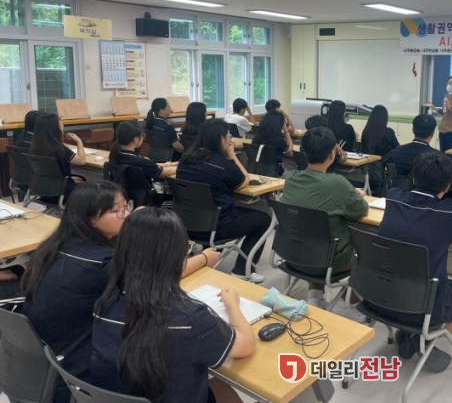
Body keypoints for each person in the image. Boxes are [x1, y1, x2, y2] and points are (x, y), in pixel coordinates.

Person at [22, 182, 221, 403]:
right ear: (90, 219)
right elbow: (156, 274)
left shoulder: (55, 245)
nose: (126, 215)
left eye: (126, 207)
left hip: (46, 352)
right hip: (82, 366)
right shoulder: (103, 263)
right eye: (116, 210)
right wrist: (205, 258)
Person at [91, 207, 255, 403]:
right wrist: (233, 305)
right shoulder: (192, 320)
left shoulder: (104, 304)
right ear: (175, 258)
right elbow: (245, 346)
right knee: (226, 391)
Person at [371, 152, 452, 371]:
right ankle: (422, 336)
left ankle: (411, 332)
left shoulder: (393, 197)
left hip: (379, 295)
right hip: (424, 305)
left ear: (413, 177)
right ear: (447, 185)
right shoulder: (451, 212)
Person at [280, 127, 368, 307]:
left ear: (303, 152)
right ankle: (356, 303)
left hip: (292, 254)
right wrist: (355, 194)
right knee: (362, 250)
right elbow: (361, 210)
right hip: (327, 263)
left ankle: (315, 296)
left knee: (314, 234)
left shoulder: (290, 178)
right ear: (332, 154)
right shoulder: (338, 183)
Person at [177, 119, 270, 283]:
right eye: (228, 136)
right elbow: (245, 180)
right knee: (265, 217)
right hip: (218, 227)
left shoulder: (185, 160)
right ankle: (242, 270)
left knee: (215, 205)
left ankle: (209, 255)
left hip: (187, 224)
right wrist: (232, 155)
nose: (230, 140)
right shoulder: (221, 164)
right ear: (219, 138)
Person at [30, 113, 87, 200]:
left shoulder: (35, 147)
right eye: (60, 122)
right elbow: (82, 161)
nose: (62, 124)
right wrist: (79, 141)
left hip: (43, 190)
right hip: (61, 192)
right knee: (88, 182)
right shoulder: (59, 149)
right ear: (55, 128)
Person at [109, 120, 177, 181]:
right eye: (142, 135)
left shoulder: (116, 154)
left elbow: (151, 166)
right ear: (136, 140)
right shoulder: (139, 162)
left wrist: (171, 164)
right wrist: (180, 168)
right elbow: (162, 172)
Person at [360, 105, 399, 195]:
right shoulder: (389, 132)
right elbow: (397, 149)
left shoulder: (366, 131)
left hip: (367, 169)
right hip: (384, 171)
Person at [425, 75, 452, 152]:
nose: (448, 85)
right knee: (443, 155)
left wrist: (450, 106)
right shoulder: (447, 97)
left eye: (450, 83)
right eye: (448, 83)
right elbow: (444, 112)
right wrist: (433, 107)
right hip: (443, 131)